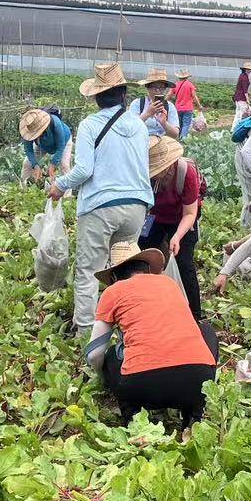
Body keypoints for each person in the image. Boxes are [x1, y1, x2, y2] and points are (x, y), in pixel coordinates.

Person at [49, 63, 153, 338]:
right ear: (123, 94)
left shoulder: (90, 124)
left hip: (100, 207)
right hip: (136, 206)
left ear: (97, 96)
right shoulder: (139, 126)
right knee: (125, 270)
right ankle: (126, 329)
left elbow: (84, 169)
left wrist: (60, 186)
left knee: (89, 271)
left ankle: (86, 336)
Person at [85, 242, 218, 429]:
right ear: (147, 268)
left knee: (110, 357)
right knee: (206, 331)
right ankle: (194, 414)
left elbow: (93, 353)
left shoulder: (113, 291)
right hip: (196, 381)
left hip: (142, 387)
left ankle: (133, 417)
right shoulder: (169, 283)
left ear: (115, 276)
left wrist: (104, 377)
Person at [141, 136, 205, 318]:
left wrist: (176, 236)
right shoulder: (145, 175)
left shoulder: (186, 173)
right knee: (143, 253)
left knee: (184, 263)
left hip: (183, 218)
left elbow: (190, 214)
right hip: (155, 216)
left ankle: (195, 315)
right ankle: (149, 300)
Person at [19, 107, 74, 185]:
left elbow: (60, 147)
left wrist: (53, 164)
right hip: (41, 144)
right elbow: (29, 150)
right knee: (27, 163)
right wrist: (35, 166)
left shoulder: (55, 123)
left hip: (64, 141)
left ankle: (67, 195)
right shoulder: (28, 130)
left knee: (64, 165)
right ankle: (22, 189)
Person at [129, 68, 183, 139]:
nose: (157, 90)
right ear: (147, 87)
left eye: (161, 87)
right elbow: (130, 128)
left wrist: (164, 122)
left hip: (162, 146)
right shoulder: (137, 104)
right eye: (154, 86)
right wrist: (147, 113)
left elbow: (175, 134)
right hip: (141, 143)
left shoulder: (169, 106)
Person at [172, 70, 201, 137]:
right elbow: (194, 96)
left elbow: (169, 95)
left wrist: (163, 102)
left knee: (179, 124)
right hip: (188, 108)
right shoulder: (190, 85)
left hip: (178, 108)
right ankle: (183, 138)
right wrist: (199, 105)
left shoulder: (175, 85)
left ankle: (179, 137)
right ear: (187, 77)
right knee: (186, 124)